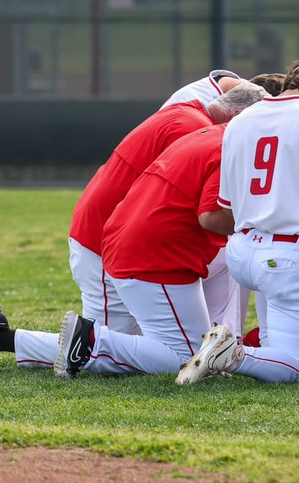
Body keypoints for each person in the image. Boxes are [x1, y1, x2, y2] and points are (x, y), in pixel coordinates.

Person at [51, 89, 263, 378]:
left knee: (129, 348)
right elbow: (207, 213)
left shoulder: (189, 116)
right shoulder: (201, 128)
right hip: (115, 238)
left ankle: (7, 338)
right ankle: (90, 341)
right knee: (168, 355)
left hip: (117, 232)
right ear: (239, 115)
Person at [177, 59, 299, 385]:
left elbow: (226, 204)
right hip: (290, 254)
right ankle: (232, 353)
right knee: (298, 368)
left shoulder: (241, 120)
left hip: (243, 250)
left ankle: (234, 350)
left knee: (278, 346)